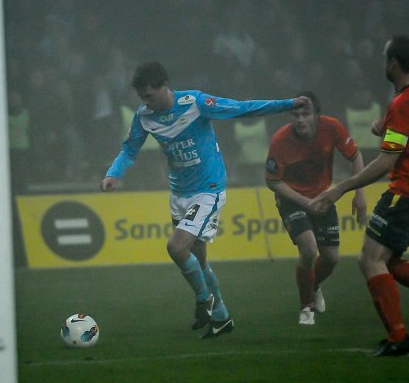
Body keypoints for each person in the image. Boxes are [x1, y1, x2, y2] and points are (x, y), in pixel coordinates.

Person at [100, 61, 309, 339]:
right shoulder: (144, 116)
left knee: (176, 247)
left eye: (149, 95)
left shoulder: (196, 102)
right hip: (179, 193)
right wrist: (113, 174)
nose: (145, 102)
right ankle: (221, 317)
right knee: (197, 259)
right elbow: (130, 150)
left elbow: (241, 108)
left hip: (208, 189)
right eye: (141, 98)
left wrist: (287, 104)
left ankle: (203, 300)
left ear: (165, 86)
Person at [309, 35, 409, 356]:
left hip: (408, 192)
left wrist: (341, 188)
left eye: (383, 57)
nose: (381, 62)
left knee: (370, 260)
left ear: (392, 63)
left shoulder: (401, 103)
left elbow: (386, 162)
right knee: (386, 260)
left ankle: (399, 337)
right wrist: (386, 127)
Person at [265, 91, 368, 326]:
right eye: (296, 114)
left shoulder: (332, 128)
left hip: (322, 196)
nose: (300, 119)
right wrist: (304, 203)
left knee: (331, 257)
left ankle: (314, 286)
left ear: (317, 115)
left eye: (305, 114)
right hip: (293, 199)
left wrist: (359, 193)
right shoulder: (280, 141)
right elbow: (272, 180)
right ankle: (305, 308)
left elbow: (355, 155)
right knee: (309, 249)